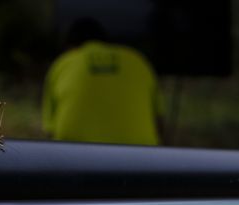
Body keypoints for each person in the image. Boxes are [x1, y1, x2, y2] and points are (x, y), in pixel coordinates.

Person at [42, 19, 163, 147]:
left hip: (76, 156)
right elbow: (159, 121)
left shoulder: (63, 63)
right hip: (139, 157)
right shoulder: (137, 60)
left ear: (71, 47)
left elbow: (50, 129)